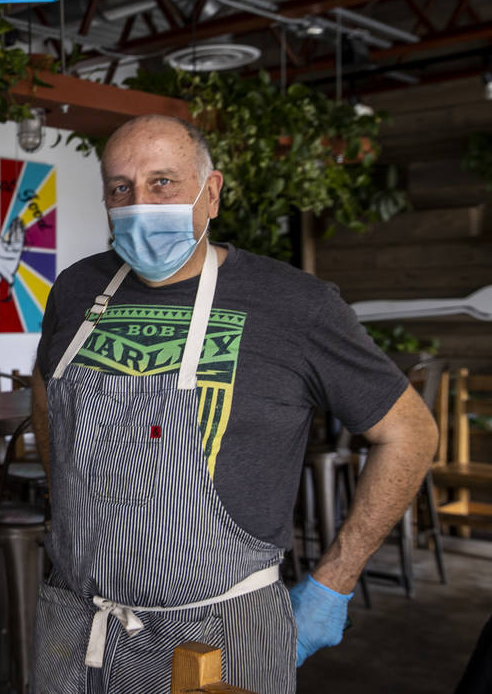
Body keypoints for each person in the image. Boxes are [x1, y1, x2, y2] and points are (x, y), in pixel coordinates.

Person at [30, 114, 438, 693]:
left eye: (163, 182)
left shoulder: (296, 305)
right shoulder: (76, 288)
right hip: (75, 627)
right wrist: (65, 497)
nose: (140, 203)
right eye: (121, 188)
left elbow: (411, 433)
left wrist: (334, 582)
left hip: (219, 634)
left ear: (211, 191)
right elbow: (47, 385)